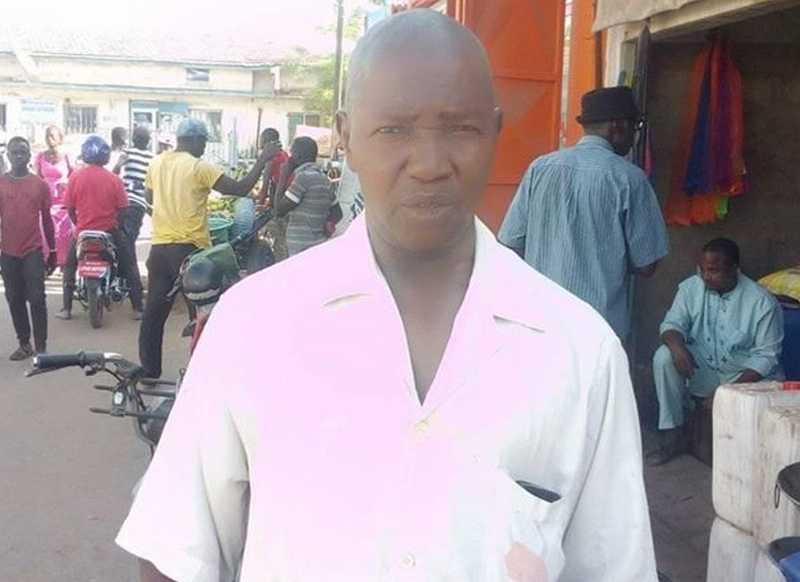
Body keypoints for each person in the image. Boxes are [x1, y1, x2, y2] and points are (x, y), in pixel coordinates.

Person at [118, 10, 657, 582]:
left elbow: (614, 568)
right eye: (394, 129)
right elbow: (177, 552)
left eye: (460, 128)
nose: (429, 164)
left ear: (496, 132)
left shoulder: (581, 351)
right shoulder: (254, 325)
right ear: (346, 137)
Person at [498, 86, 669, 341]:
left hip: (541, 322)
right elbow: (647, 264)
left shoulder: (540, 168)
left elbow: (510, 243)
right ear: (618, 126)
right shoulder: (629, 179)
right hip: (598, 329)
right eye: (635, 127)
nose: (635, 135)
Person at [137, 118, 283, 379]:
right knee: (203, 315)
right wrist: (262, 160)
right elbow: (240, 188)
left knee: (154, 313)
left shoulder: (157, 163)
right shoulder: (198, 167)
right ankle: (203, 376)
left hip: (159, 249)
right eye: (203, 142)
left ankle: (149, 370)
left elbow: (150, 198)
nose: (204, 147)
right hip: (189, 252)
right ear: (194, 140)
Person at [650, 238, 784, 465]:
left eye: (713, 270)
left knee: (727, 456)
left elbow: (766, 357)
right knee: (664, 357)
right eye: (701, 269)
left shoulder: (762, 302)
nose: (705, 276)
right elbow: (671, 324)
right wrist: (677, 348)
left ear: (734, 269)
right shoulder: (690, 288)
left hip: (742, 376)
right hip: (703, 369)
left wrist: (727, 392)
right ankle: (673, 434)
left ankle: (708, 433)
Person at [56, 136, 144, 320]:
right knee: (129, 264)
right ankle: (138, 308)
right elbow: (123, 209)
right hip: (109, 230)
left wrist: (79, 224)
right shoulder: (114, 179)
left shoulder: (75, 177)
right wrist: (115, 224)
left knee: (69, 265)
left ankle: (66, 309)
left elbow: (70, 209)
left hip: (83, 232)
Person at [0, 137, 56, 359]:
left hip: (32, 250)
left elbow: (47, 220)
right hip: (8, 252)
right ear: (8, 156)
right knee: (14, 298)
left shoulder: (39, 185)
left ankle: (41, 348)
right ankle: (24, 344)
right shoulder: (1, 184)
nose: (19, 156)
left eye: (23, 152)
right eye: (14, 152)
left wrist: (53, 251)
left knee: (37, 298)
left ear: (29, 155)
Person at [274, 136, 341, 256]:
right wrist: (325, 225)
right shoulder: (324, 179)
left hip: (300, 247)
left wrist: (283, 176)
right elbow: (338, 213)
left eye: (292, 154)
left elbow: (279, 210)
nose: (289, 158)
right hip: (319, 244)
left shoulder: (303, 178)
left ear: (297, 157)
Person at [34, 125, 74, 269]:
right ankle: (47, 260)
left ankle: (63, 262)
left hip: (62, 201)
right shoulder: (40, 157)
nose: (49, 139)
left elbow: (74, 176)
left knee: (63, 232)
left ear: (60, 139)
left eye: (52, 136)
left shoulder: (67, 156)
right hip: (46, 200)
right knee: (44, 229)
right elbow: (38, 178)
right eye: (47, 136)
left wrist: (67, 185)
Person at [254, 127, 290, 208]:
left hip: (279, 190)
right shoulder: (283, 153)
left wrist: (260, 204)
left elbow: (265, 183)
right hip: (286, 189)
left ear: (265, 141)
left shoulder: (271, 157)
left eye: (261, 139)